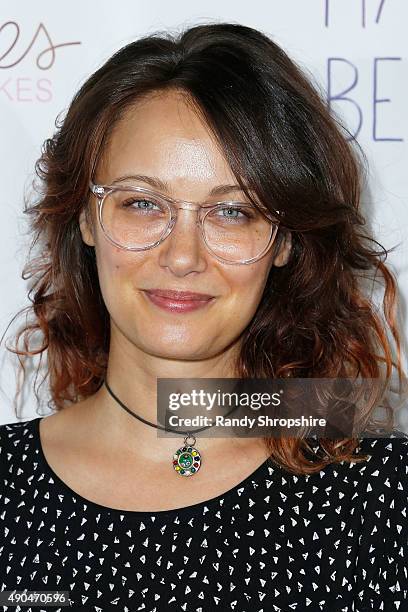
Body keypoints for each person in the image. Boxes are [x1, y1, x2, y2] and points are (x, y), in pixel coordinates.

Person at [0, 21, 407, 612]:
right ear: (86, 219)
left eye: (233, 212)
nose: (183, 256)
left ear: (288, 240)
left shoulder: (383, 501)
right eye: (142, 203)